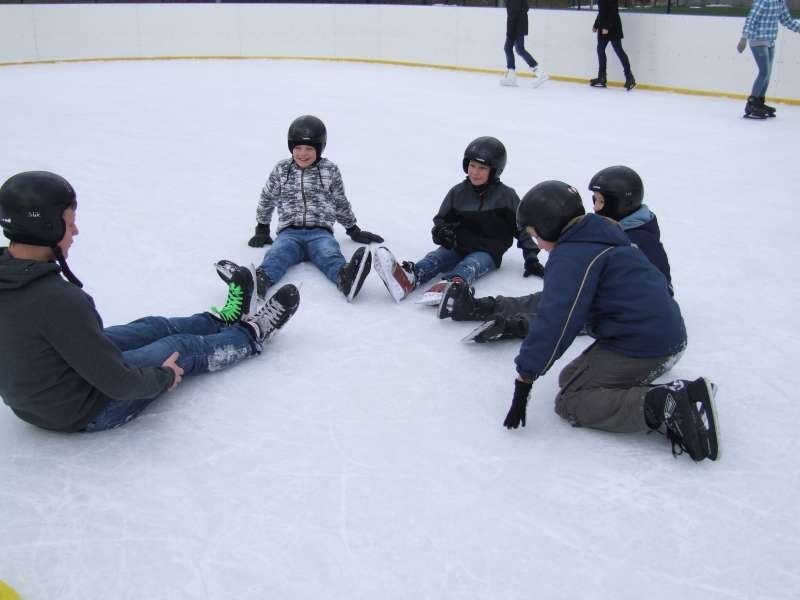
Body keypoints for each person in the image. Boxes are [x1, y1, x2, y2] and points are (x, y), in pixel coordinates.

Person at [0, 171, 300, 433]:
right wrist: (164, 375)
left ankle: (223, 320)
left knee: (151, 327)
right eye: (69, 223)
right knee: (181, 348)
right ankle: (251, 334)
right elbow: (118, 384)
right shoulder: (59, 300)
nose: (76, 231)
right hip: (85, 410)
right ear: (48, 228)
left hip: (46, 392)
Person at [501, 180, 719, 462]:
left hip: (644, 345)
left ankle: (669, 405)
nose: (538, 246)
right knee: (570, 377)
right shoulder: (601, 234)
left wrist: (525, 378)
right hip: (665, 336)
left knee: (571, 401)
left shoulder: (570, 256)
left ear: (549, 225)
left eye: (535, 235)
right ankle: (664, 395)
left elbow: (557, 322)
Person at [441, 165, 671, 342]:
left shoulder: (640, 241)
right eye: (594, 200)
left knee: (564, 314)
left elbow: (662, 291)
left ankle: (512, 326)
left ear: (622, 204)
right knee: (544, 298)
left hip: (618, 309)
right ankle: (479, 307)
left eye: (601, 202)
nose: (595, 207)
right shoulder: (609, 228)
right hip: (593, 290)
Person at [215, 115, 383, 314]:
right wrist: (262, 227)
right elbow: (267, 197)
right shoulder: (281, 169)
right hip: (289, 233)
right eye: (298, 148)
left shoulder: (330, 171)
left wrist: (353, 229)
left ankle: (345, 278)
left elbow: (340, 201)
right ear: (291, 148)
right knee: (277, 255)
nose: (303, 153)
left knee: (329, 253)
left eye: (309, 148)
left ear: (320, 148)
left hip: (320, 232)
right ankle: (257, 283)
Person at [372, 136, 542, 305]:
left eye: (482, 168)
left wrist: (531, 259)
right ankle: (409, 278)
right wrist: (442, 232)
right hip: (458, 244)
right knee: (435, 259)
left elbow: (522, 230)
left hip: (488, 251)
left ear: (494, 171)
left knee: (471, 265)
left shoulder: (507, 196)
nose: (475, 172)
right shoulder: (458, 192)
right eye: (472, 165)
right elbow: (441, 220)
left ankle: (452, 284)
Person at [737, 0, 800, 119]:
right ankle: (751, 104)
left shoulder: (780, 2)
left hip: (770, 41)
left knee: (767, 73)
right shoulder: (764, 0)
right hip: (758, 39)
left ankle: (759, 102)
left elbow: (786, 20)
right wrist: (744, 38)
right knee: (764, 72)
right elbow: (752, 18)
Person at [500, 0, 548, 88]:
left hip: (517, 26)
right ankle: (511, 76)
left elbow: (513, 13)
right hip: (518, 25)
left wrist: (510, 32)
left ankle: (540, 72)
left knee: (519, 49)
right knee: (509, 48)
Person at [590, 0, 636, 91]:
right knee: (600, 50)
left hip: (613, 27)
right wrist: (596, 25)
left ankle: (630, 78)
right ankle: (602, 77)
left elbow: (614, 12)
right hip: (603, 26)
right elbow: (602, 11)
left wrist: (607, 27)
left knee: (619, 51)